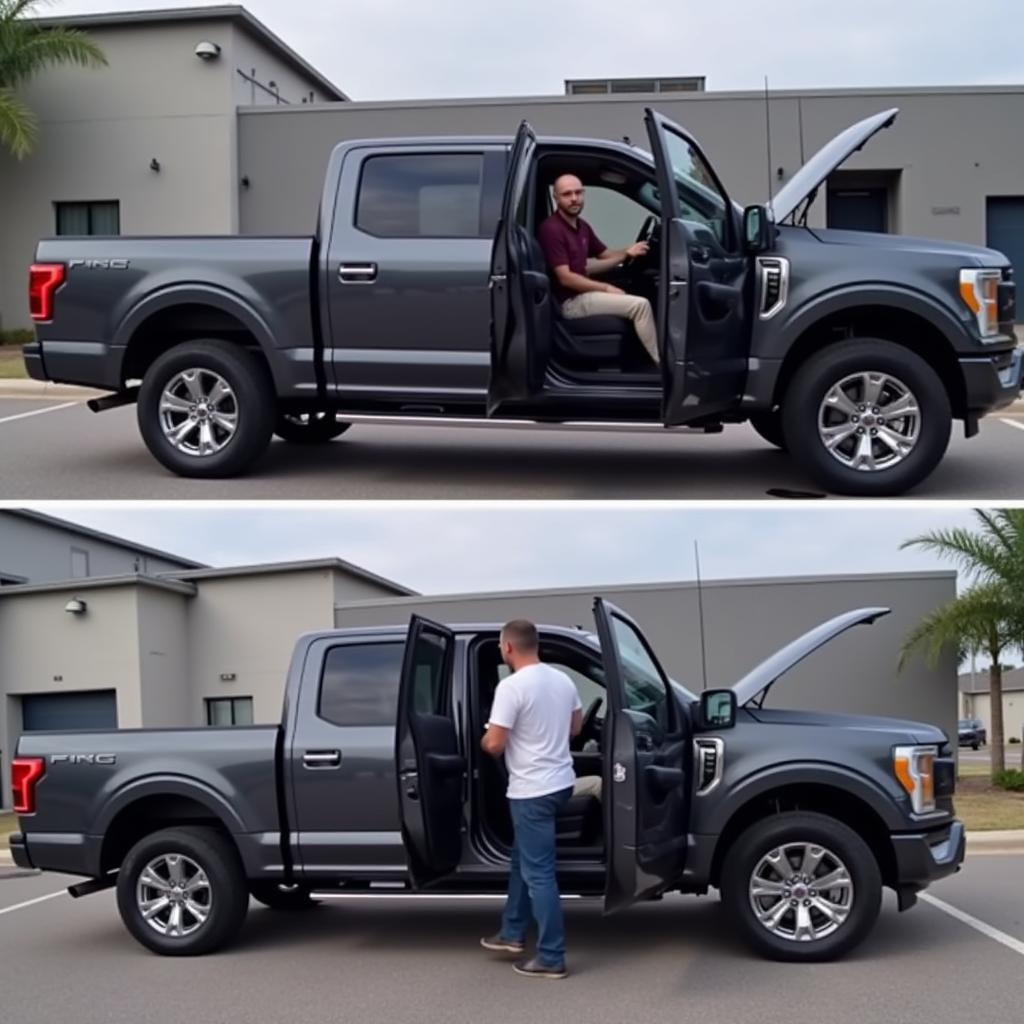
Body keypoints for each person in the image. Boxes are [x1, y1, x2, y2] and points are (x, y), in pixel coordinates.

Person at [479, 619, 582, 979]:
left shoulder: (511, 688)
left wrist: (484, 739)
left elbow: (494, 744)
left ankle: (552, 957)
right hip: (560, 784)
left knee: (539, 873)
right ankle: (511, 932)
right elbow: (575, 728)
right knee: (522, 860)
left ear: (508, 648)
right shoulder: (564, 681)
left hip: (531, 791)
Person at [536, 173, 659, 366]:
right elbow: (565, 278)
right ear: (556, 197)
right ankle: (663, 366)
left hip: (582, 295)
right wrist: (606, 289)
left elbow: (605, 255)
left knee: (634, 294)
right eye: (567, 194)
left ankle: (637, 361)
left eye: (578, 192)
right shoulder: (551, 229)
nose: (574, 198)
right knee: (640, 306)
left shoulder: (582, 226)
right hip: (569, 302)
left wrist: (629, 250)